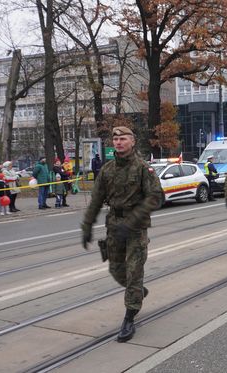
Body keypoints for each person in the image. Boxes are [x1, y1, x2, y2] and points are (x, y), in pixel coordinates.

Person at [81, 126, 163, 343]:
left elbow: (155, 197)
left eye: (123, 138)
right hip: (114, 226)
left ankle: (129, 316)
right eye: (115, 138)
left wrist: (133, 221)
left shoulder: (144, 168)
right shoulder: (107, 170)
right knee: (116, 270)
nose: (118, 142)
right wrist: (87, 226)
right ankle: (138, 291)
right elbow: (96, 200)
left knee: (134, 271)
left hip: (136, 228)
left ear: (132, 141)